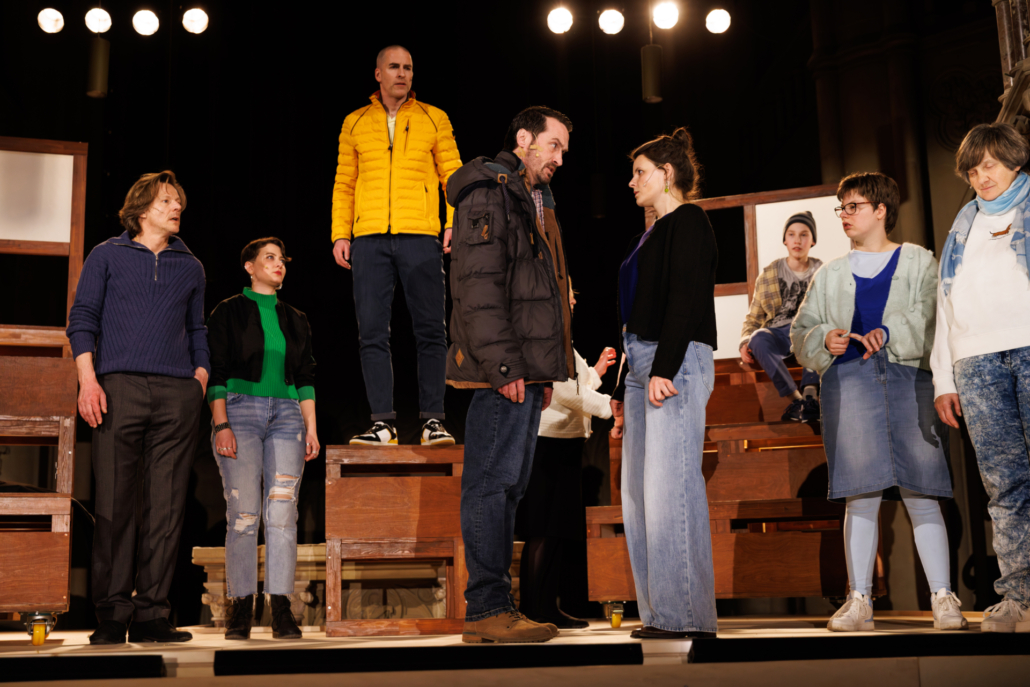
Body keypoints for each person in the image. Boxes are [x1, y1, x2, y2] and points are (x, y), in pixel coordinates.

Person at [791, 172, 965, 633]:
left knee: (922, 489)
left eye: (854, 206)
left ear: (881, 210)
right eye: (842, 207)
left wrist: (889, 331)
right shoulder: (829, 273)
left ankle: (943, 596)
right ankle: (860, 599)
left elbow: (933, 314)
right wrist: (822, 338)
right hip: (850, 381)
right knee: (861, 492)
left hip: (909, 379)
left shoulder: (918, 260)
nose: (845, 215)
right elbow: (801, 330)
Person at [446, 106, 574, 643]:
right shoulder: (490, 191)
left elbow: (540, 293)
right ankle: (485, 609)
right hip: (503, 370)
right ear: (524, 138)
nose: (559, 158)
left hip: (526, 371)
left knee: (509, 489)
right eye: (554, 145)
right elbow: (477, 286)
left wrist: (544, 375)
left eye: (564, 149)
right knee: (490, 486)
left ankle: (498, 606)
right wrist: (504, 365)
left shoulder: (532, 197)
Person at [67, 171, 209, 645]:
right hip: (118, 387)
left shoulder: (191, 266)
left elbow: (198, 329)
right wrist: (88, 381)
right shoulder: (106, 255)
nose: (176, 208)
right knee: (114, 505)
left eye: (179, 201)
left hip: (177, 392)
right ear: (142, 209)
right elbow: (82, 319)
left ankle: (151, 614)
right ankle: (111, 613)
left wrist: (200, 378)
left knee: (166, 508)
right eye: (167, 201)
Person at [610, 128, 719, 640]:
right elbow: (633, 317)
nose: (632, 182)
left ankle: (685, 616)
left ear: (667, 173)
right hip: (641, 366)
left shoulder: (689, 220)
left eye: (640, 172)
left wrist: (665, 368)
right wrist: (622, 389)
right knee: (638, 496)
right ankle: (659, 612)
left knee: (669, 487)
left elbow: (687, 297)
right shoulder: (648, 235)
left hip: (672, 360)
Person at [331, 45, 462, 447]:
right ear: (378, 74)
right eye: (394, 67)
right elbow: (344, 183)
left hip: (420, 235)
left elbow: (453, 177)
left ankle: (433, 421)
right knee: (371, 333)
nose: (402, 73)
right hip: (369, 238)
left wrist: (453, 222)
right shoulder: (355, 122)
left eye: (408, 67)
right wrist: (340, 233)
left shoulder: (433, 117)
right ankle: (383, 423)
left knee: (431, 331)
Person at [932, 122, 1030, 633]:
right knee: (1004, 485)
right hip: (976, 363)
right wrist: (943, 379)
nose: (981, 176)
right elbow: (945, 307)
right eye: (972, 170)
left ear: (1014, 160)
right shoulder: (963, 226)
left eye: (989, 165)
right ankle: (1020, 598)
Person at [206, 237, 319, 641]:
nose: (279, 264)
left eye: (282, 259)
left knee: (283, 513)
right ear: (249, 267)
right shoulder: (228, 311)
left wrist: (311, 427)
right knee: (244, 513)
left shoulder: (296, 318)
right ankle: (241, 607)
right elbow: (216, 371)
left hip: (288, 417)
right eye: (269, 258)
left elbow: (305, 377)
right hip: (240, 412)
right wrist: (221, 424)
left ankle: (281, 607)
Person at [515, 285, 616, 630]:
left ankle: (548, 607)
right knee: (542, 529)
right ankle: (532, 609)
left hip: (565, 442)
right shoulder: (545, 332)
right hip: (547, 441)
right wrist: (611, 407)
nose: (574, 299)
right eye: (568, 292)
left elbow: (577, 384)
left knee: (557, 530)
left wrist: (596, 372)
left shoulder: (561, 336)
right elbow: (561, 389)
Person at [739, 212, 823, 421]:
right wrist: (744, 341)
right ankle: (796, 401)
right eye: (791, 234)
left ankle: (810, 398)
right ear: (785, 240)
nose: (797, 240)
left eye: (804, 235)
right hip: (779, 333)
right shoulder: (769, 273)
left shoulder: (823, 271)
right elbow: (754, 317)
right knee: (757, 337)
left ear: (813, 240)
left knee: (815, 329)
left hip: (809, 332)